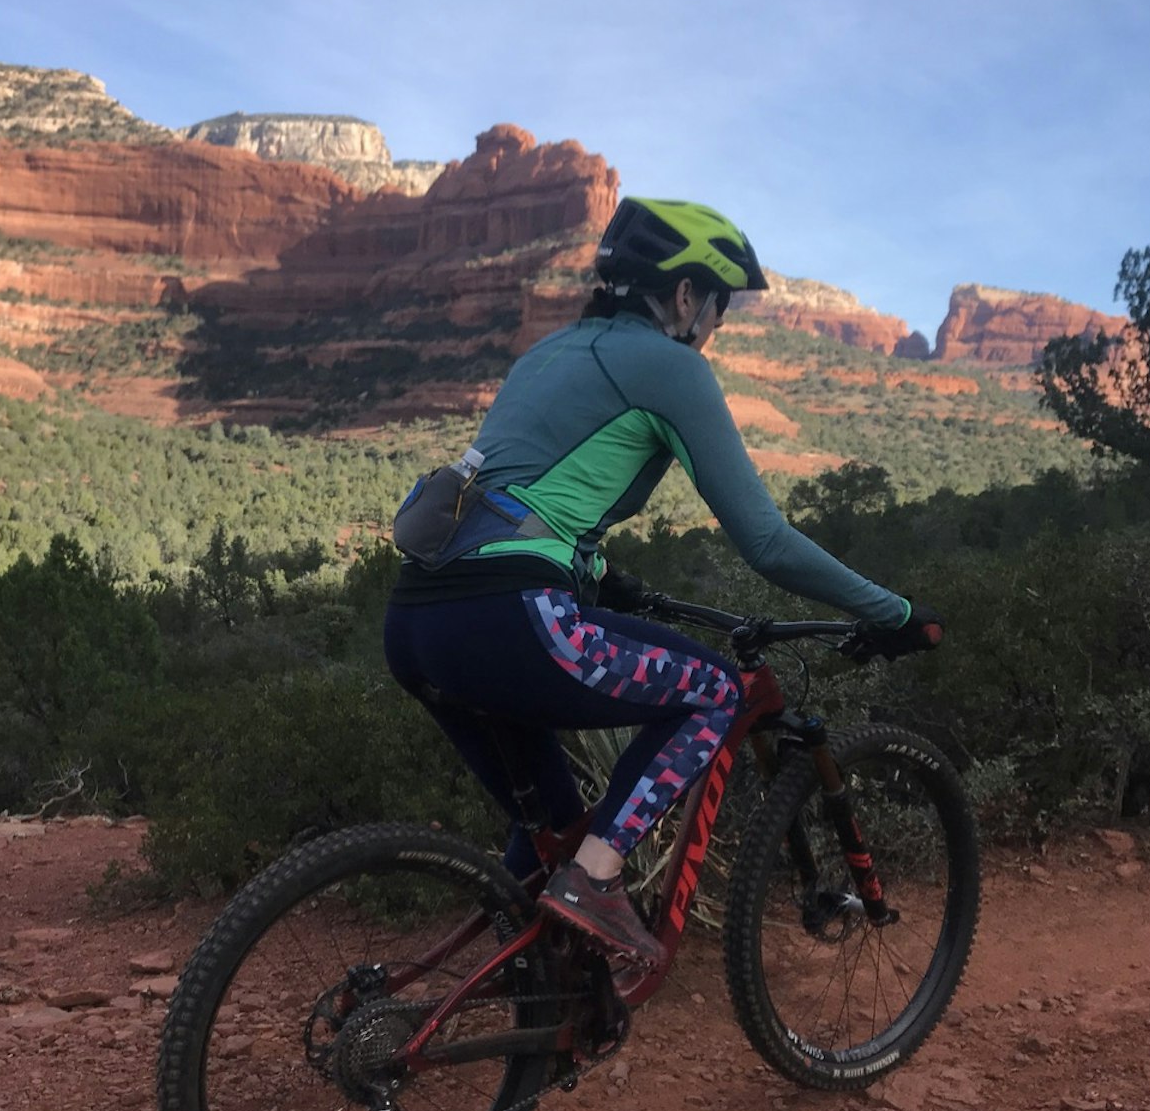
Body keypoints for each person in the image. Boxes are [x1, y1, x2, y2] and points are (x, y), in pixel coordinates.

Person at [383, 197, 943, 967]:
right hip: (512, 617)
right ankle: (595, 886)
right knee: (715, 690)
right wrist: (894, 611)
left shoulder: (543, 355)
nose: (716, 324)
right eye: (719, 305)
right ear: (685, 295)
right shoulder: (672, 367)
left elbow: (524, 497)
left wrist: (605, 576)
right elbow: (768, 543)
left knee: (553, 832)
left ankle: (477, 1000)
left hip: (417, 622)